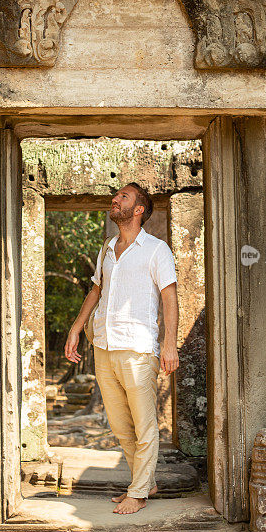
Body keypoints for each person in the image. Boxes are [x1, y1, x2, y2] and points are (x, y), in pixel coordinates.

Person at [64, 183, 179, 515]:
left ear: (139, 209)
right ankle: (146, 481)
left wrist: (168, 343)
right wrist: (76, 327)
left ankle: (139, 491)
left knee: (144, 424)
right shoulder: (107, 248)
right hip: (104, 343)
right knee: (118, 424)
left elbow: (170, 299)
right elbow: (96, 290)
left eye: (123, 197)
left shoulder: (157, 250)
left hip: (139, 347)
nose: (115, 200)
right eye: (116, 197)